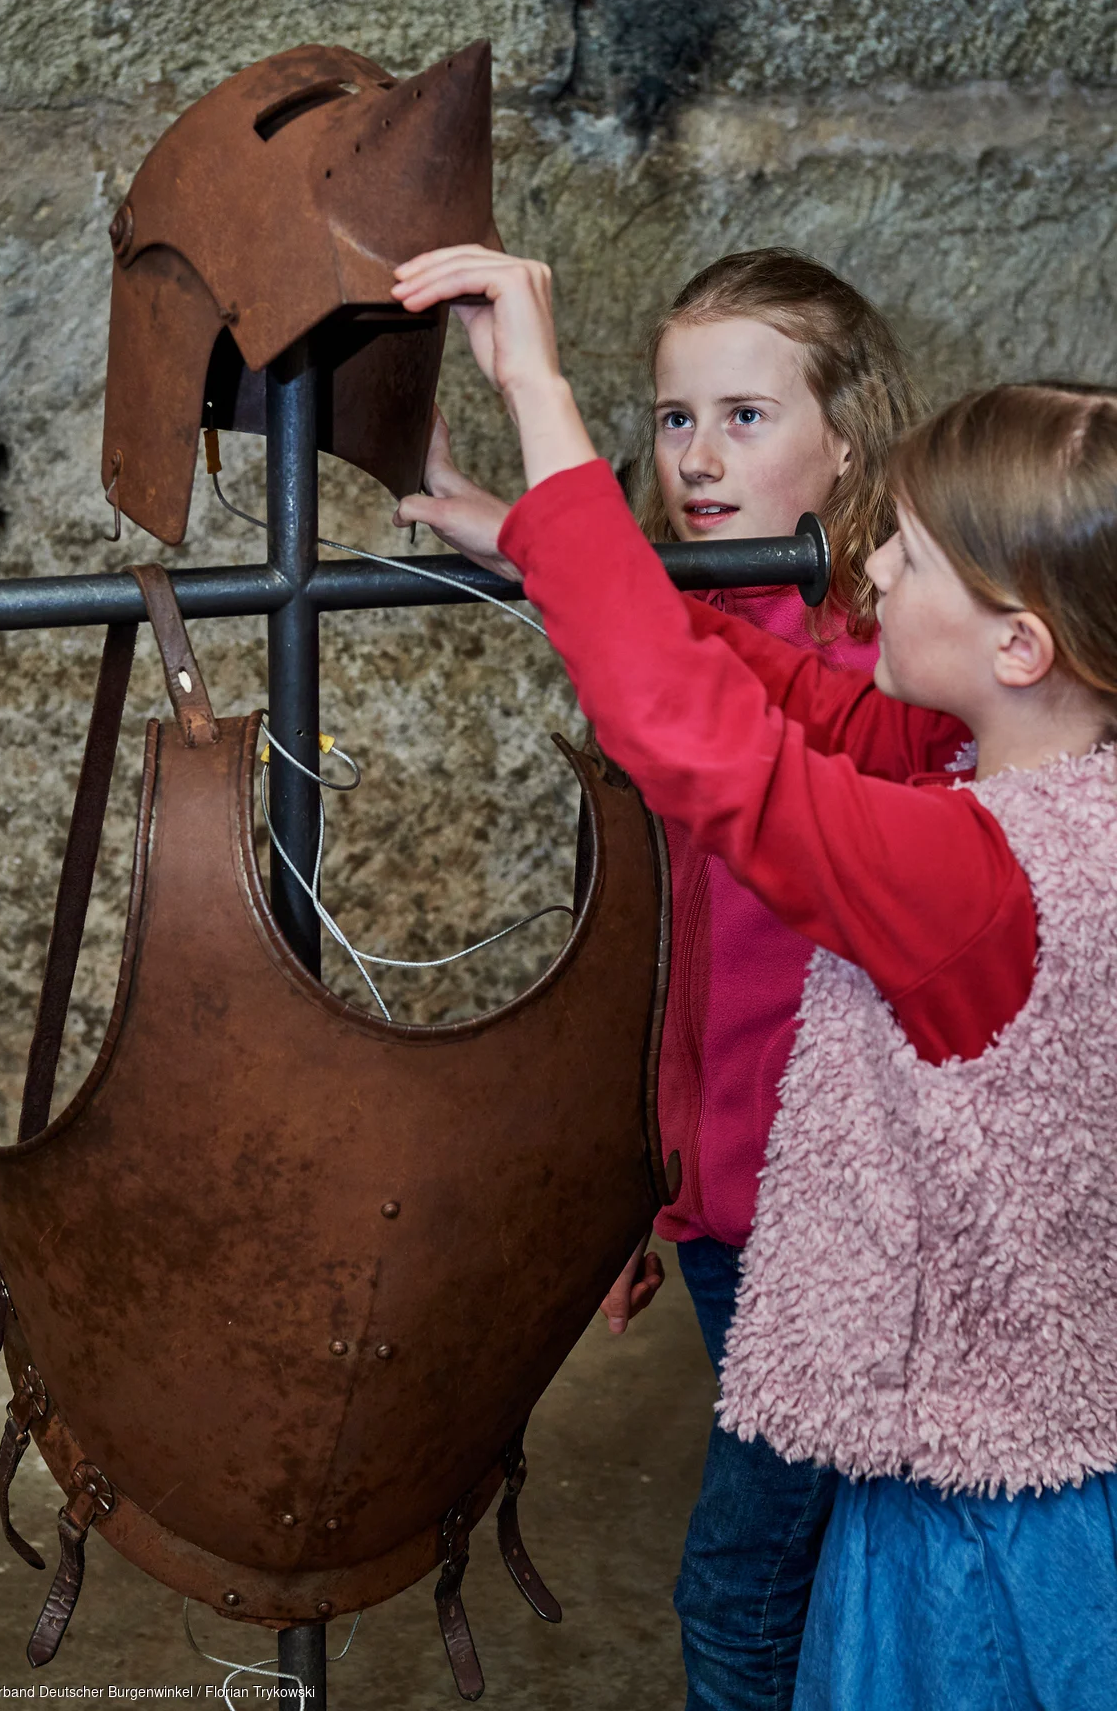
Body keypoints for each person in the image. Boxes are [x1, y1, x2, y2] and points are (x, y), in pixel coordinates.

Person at [391, 245, 1117, 1710]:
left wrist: (538, 388)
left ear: (1020, 645)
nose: (870, 568)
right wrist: (540, 541)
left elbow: (698, 739)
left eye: (905, 554)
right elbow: (776, 694)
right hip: (1023, 1431)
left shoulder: (973, 877)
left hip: (978, 1501)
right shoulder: (1026, 783)